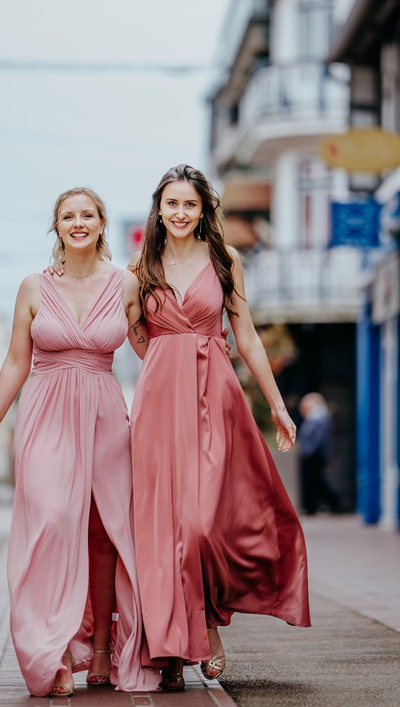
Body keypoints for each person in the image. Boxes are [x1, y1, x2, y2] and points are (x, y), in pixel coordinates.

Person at [128, 164, 310, 691]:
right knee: (165, 528)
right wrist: (166, 359)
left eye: (190, 204)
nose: (180, 213)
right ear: (158, 210)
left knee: (203, 524)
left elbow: (247, 337)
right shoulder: (142, 265)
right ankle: (170, 652)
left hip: (217, 399)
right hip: (161, 405)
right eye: (171, 204)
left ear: (204, 209)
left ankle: (206, 621)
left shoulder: (226, 260)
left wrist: (276, 404)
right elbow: (135, 331)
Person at [0, 188, 160, 698]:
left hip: (104, 413)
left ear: (102, 224)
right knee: (52, 521)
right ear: (56, 226)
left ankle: (102, 649)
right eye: (68, 216)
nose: (79, 223)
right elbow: (15, 360)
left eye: (88, 215)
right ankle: (51, 649)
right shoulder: (33, 286)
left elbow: (152, 351)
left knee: (108, 533)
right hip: (46, 412)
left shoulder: (126, 285)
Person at [297, 392, 342, 516]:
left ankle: (333, 503)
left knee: (313, 481)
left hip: (313, 456)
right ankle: (335, 502)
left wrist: (307, 452)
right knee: (316, 482)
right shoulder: (320, 417)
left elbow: (317, 439)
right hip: (314, 455)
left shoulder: (318, 418)